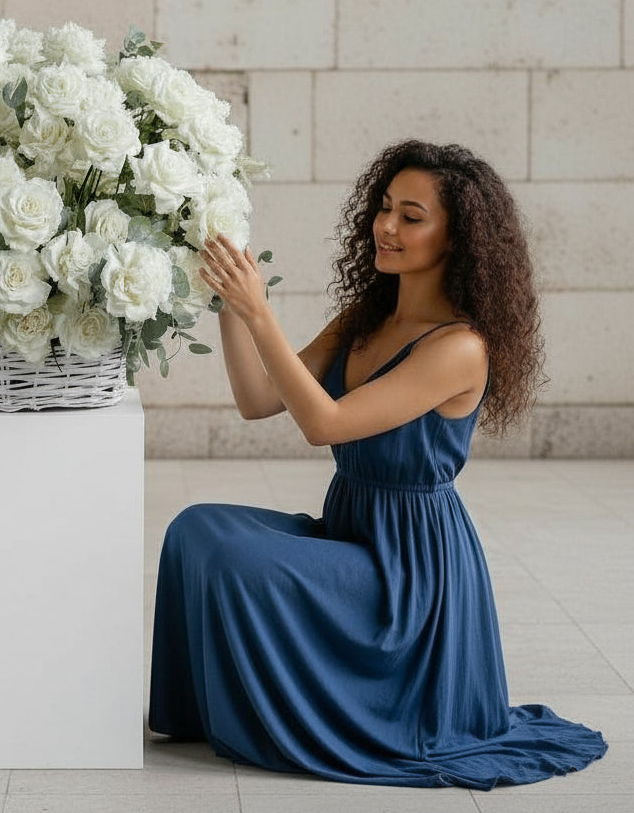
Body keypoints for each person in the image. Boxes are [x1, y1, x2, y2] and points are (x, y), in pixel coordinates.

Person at [148, 139, 607, 788]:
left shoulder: (461, 348)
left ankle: (294, 717)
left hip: (409, 575)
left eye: (411, 216)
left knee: (234, 559)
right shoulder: (364, 319)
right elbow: (257, 400)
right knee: (196, 529)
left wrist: (261, 312)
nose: (385, 226)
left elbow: (324, 424)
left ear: (458, 237)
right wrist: (227, 300)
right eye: (384, 207)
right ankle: (200, 715)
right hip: (352, 536)